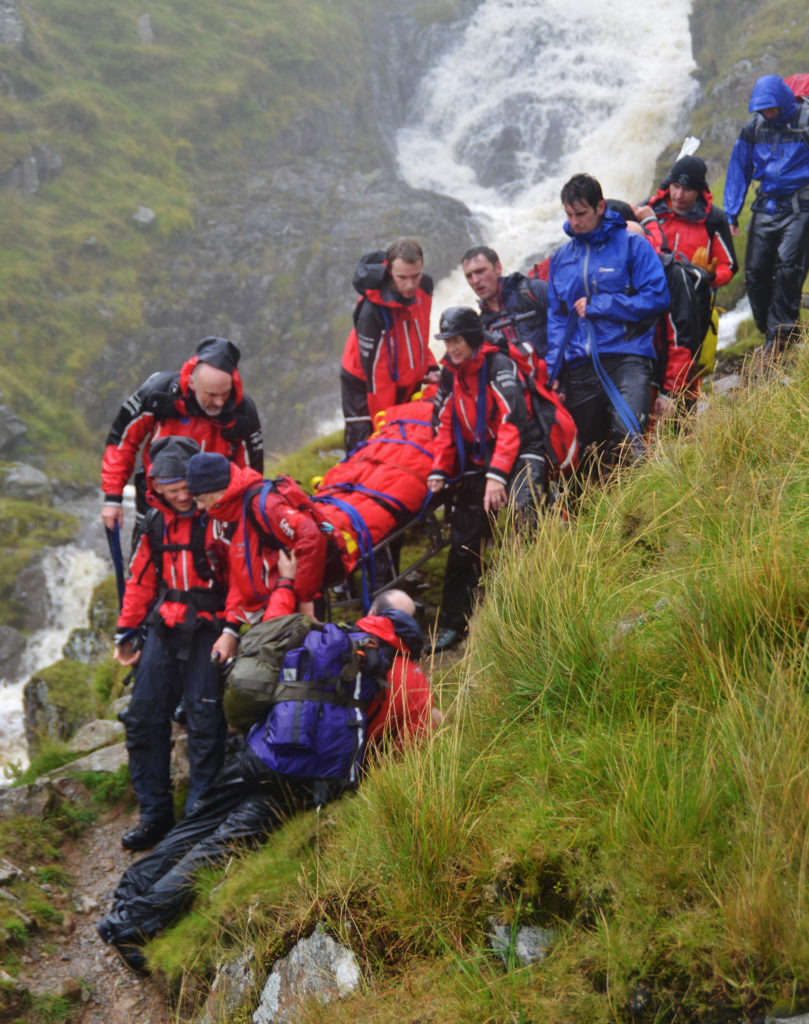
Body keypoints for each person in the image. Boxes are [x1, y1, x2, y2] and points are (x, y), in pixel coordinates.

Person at [96, 587, 434, 975]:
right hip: (304, 779)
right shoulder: (413, 680)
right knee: (221, 846)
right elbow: (408, 753)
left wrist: (288, 585)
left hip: (261, 749)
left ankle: (130, 891)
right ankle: (130, 924)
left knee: (198, 824)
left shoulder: (334, 634)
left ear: (373, 611)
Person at [113, 436, 231, 852]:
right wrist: (126, 632)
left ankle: (197, 819)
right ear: (155, 487)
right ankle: (155, 814)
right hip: (165, 626)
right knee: (143, 717)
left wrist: (234, 629)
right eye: (171, 488)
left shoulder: (218, 516)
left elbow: (242, 573)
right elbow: (141, 580)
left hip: (210, 627)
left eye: (185, 487)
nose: (182, 495)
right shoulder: (153, 523)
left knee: (204, 720)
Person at [427, 306, 544, 654]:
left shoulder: (498, 365)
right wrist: (439, 469)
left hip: (522, 449)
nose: (451, 347)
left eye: (457, 340)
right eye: (447, 341)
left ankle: (528, 609)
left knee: (524, 516)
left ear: (472, 337)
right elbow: (444, 424)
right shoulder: (451, 373)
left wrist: (497, 476)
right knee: (463, 538)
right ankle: (454, 623)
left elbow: (512, 420)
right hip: (482, 457)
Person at [546, 174, 670, 478]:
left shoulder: (633, 246)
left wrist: (602, 305)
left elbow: (658, 297)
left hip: (628, 357)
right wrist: (553, 372)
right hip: (580, 367)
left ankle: (641, 506)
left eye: (581, 214)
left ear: (600, 207)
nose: (574, 222)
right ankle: (589, 510)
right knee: (582, 458)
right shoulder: (561, 259)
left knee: (629, 441)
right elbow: (557, 319)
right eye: (569, 215)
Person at [101, 336, 263, 532]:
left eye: (225, 393)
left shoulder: (243, 410)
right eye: (211, 395)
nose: (220, 402)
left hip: (213, 504)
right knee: (148, 550)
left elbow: (251, 471)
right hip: (157, 498)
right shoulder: (158, 393)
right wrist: (113, 498)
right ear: (193, 383)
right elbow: (122, 441)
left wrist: (248, 513)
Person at [184, 452, 328, 665]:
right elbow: (239, 576)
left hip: (295, 608)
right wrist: (230, 629)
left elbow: (310, 536)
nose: (200, 507)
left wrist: (306, 601)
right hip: (270, 614)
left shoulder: (262, 505)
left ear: (217, 490)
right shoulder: (231, 513)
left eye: (201, 499)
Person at [643, 155, 737, 416]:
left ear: (699, 190)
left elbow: (729, 267)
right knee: (648, 376)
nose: (679, 195)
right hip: (650, 308)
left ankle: (685, 434)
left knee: (687, 376)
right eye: (675, 186)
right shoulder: (650, 212)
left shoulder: (713, 219)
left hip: (694, 313)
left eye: (687, 189)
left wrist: (706, 275)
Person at [724, 74, 809, 352]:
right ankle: (773, 330)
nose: (768, 113)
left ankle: (779, 339)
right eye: (763, 109)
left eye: (771, 108)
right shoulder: (755, 127)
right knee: (755, 273)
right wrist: (732, 212)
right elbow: (739, 168)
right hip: (766, 206)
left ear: (783, 101)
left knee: (788, 269)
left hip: (800, 207)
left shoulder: (805, 121)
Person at [340, 238, 437, 453]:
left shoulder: (425, 287)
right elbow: (377, 379)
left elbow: (419, 333)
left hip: (404, 374)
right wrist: (385, 426)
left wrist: (428, 366)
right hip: (363, 382)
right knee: (368, 442)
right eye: (402, 277)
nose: (410, 285)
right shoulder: (371, 311)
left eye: (415, 276)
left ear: (422, 267)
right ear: (390, 271)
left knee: (406, 435)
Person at [461, 245, 549, 383]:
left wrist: (557, 372)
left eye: (480, 271)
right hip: (521, 391)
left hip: (557, 380)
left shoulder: (534, 291)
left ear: (498, 268)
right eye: (469, 276)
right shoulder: (481, 326)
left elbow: (567, 328)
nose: (475, 280)